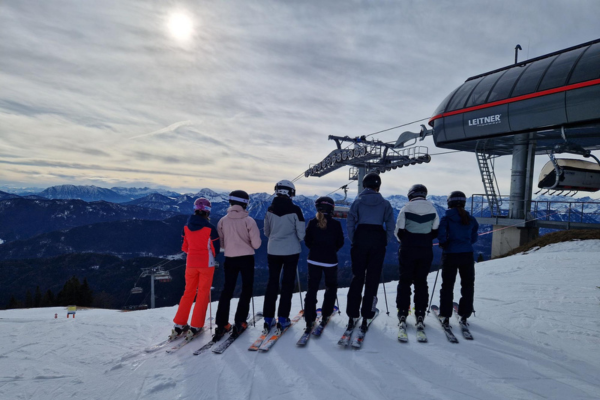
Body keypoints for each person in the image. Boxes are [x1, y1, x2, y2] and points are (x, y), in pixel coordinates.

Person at [346, 172, 395, 332]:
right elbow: (390, 225)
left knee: (357, 277)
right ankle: (367, 314)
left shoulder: (357, 202)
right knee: (373, 278)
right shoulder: (385, 204)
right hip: (377, 239)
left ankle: (352, 314)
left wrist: (354, 239)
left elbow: (350, 222)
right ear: (378, 186)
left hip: (360, 237)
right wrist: (385, 240)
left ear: (364, 186)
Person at [213, 190, 262, 341]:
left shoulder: (222, 221)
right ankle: (240, 321)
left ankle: (222, 324)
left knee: (227, 290)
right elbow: (257, 244)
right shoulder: (249, 221)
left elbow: (221, 244)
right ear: (245, 203)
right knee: (246, 288)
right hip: (246, 258)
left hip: (230, 258)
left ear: (230, 202)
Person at [171, 198, 220, 339]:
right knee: (203, 293)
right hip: (206, 264)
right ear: (208, 211)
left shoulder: (186, 227)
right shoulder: (210, 228)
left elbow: (184, 247)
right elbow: (215, 249)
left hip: (190, 264)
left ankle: (179, 324)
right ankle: (196, 325)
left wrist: (193, 253)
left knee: (188, 292)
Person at [262, 180, 306, 333]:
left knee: (272, 282)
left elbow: (266, 232)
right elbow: (301, 234)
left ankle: (268, 318)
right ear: (290, 192)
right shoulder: (296, 210)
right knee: (287, 284)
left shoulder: (270, 209)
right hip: (291, 251)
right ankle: (283, 318)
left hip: (273, 250)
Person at [395, 184, 439, 330]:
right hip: (425, 249)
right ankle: (420, 313)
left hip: (408, 249)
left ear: (410, 195)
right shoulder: (433, 209)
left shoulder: (406, 208)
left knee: (405, 281)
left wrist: (405, 241)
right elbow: (435, 230)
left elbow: (399, 231)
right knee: (421, 282)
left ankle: (402, 312)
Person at [437, 191, 479, 326]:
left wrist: (444, 243)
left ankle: (445, 314)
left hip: (450, 254)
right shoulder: (470, 219)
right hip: (467, 254)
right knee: (468, 285)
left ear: (450, 202)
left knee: (447, 285)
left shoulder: (446, 218)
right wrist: (465, 243)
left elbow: (441, 234)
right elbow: (474, 237)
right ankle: (465, 314)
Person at [303, 197, 345, 332]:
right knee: (331, 287)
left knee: (312, 288)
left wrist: (315, 250)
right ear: (331, 208)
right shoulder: (336, 224)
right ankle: (326, 313)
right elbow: (340, 242)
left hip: (313, 259)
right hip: (330, 261)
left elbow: (307, 240)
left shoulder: (312, 222)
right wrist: (332, 250)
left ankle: (309, 318)